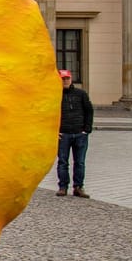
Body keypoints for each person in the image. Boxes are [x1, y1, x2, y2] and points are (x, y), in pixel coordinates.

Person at [57, 69, 94, 197]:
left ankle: (78, 186)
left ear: (71, 79)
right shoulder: (55, 95)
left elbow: (89, 111)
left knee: (80, 162)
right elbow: (48, 114)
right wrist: (54, 131)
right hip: (63, 133)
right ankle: (63, 187)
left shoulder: (81, 94)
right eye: (63, 79)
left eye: (67, 78)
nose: (65, 81)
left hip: (80, 133)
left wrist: (86, 130)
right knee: (63, 162)